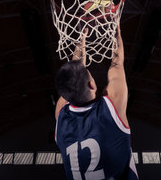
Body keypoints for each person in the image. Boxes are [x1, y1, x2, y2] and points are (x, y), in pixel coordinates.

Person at [55, 25, 138, 180]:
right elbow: (117, 63)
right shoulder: (111, 108)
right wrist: (117, 31)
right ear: (92, 84)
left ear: (65, 95)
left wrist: (82, 39)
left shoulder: (61, 115)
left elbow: (73, 74)